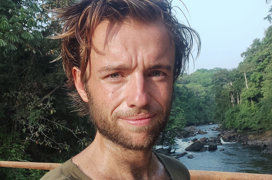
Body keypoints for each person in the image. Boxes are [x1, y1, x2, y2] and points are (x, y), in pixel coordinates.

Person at [41, 0, 200, 179]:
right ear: (81, 84)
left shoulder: (177, 172)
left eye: (156, 73)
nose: (140, 98)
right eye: (115, 75)